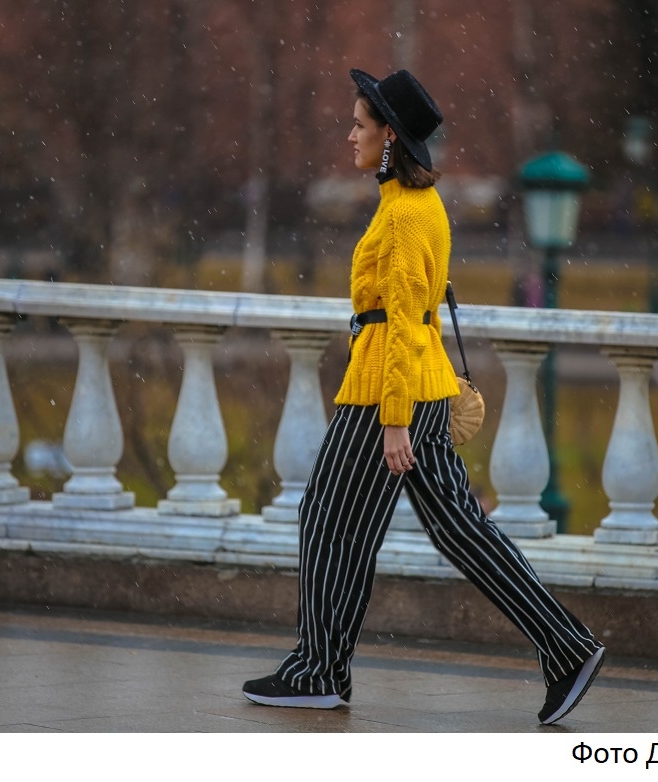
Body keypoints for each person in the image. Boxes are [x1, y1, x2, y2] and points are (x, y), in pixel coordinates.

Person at [241, 68, 604, 726]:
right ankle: (567, 647)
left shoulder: (406, 215)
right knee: (461, 532)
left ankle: (319, 670)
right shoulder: (410, 203)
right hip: (419, 387)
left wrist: (395, 421)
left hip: (387, 391)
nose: (349, 134)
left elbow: (404, 324)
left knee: (328, 520)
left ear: (389, 138)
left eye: (360, 124)